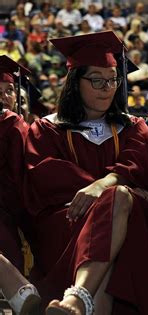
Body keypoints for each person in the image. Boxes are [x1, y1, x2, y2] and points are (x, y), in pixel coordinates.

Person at [24, 31, 148, 315]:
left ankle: (77, 300)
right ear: (75, 82)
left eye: (113, 79)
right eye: (97, 80)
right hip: (68, 221)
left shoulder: (133, 126)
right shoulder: (47, 128)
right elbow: (47, 175)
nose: (107, 88)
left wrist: (105, 190)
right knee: (118, 203)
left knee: (118, 207)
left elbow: (137, 163)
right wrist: (111, 190)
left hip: (128, 222)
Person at [0, 55, 41, 315]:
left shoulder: (14, 123)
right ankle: (19, 291)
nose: (4, 96)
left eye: (8, 90)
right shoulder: (13, 123)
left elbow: (20, 176)